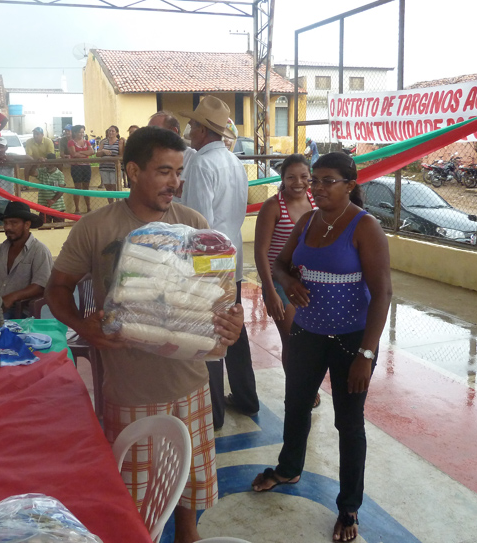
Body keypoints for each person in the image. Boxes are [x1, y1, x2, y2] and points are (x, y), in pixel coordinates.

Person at [46, 126, 244, 543]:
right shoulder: (96, 228)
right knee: (135, 510)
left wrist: (232, 321)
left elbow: (218, 299)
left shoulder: (194, 225)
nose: (175, 182)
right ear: (133, 171)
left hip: (190, 383)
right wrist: (86, 328)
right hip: (130, 391)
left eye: (178, 172)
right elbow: (57, 290)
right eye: (164, 171)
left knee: (189, 494)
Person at [251, 152, 392, 543]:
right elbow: (279, 263)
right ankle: (289, 467)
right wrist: (288, 282)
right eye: (315, 180)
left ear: (350, 184)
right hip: (307, 334)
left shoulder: (365, 228)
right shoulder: (308, 221)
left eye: (328, 180)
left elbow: (383, 294)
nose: (318, 187)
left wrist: (366, 353)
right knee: (296, 404)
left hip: (352, 341)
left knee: (348, 423)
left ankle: (349, 507)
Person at [180, 95, 259, 429]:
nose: (189, 131)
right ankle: (245, 396)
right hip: (234, 255)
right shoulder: (234, 161)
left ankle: (212, 412)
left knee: (209, 333)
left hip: (209, 261)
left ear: (200, 130)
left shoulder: (200, 163)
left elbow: (200, 225)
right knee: (233, 329)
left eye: (192, 125)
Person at [253, 154, 320, 405]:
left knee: (310, 340)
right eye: (291, 177)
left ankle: (306, 386)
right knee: (293, 339)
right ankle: (297, 391)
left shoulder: (315, 201)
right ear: (282, 179)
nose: (298, 182)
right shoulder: (273, 206)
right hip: (279, 283)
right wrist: (270, 292)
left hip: (308, 282)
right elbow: (260, 252)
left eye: (304, 176)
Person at [148, 110, 194, 203]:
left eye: (155, 131)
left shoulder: (193, 159)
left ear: (173, 132)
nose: (149, 137)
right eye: (148, 132)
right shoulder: (148, 158)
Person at [67, 125, 94, 214]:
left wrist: (80, 152)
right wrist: (85, 154)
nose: (81, 134)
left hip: (86, 166)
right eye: (80, 132)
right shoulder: (71, 142)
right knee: (77, 187)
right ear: (75, 133)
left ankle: (89, 207)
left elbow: (92, 152)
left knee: (86, 187)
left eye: (82, 132)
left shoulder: (86, 141)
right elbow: (74, 154)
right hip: (76, 166)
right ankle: (77, 208)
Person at [36, 154, 67, 226]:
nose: (49, 164)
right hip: (44, 207)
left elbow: (61, 189)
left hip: (58, 207)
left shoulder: (59, 174)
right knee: (44, 228)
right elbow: (32, 172)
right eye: (47, 162)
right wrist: (37, 163)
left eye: (51, 162)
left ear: (55, 163)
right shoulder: (41, 171)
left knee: (59, 227)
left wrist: (53, 200)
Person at [96, 125, 123, 204]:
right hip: (104, 168)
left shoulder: (119, 142)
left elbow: (121, 155)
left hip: (115, 168)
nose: (110, 132)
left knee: (115, 187)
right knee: (108, 188)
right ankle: (111, 205)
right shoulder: (103, 142)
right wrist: (104, 151)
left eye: (112, 131)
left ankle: (117, 204)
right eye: (109, 131)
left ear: (117, 133)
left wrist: (112, 156)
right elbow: (97, 154)